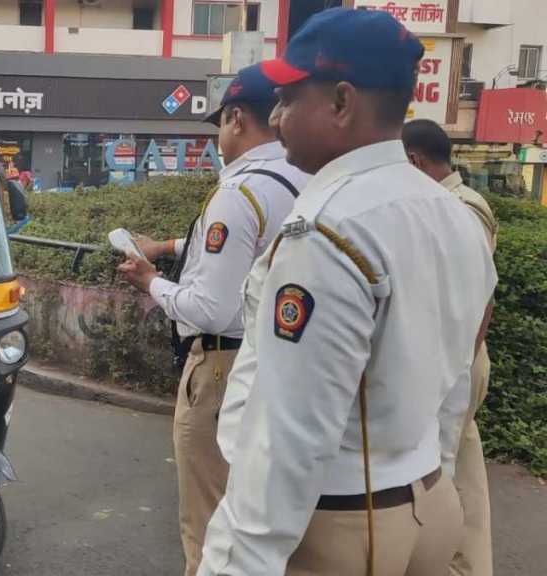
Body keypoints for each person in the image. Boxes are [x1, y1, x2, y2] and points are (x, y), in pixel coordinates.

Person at [201, 9, 496, 576]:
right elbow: (454, 385)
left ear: (340, 102)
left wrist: (236, 564)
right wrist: (435, 479)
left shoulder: (328, 230)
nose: (278, 116)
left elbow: (289, 434)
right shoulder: (451, 214)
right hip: (427, 502)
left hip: (340, 524)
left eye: (288, 98)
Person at [117, 63, 308, 576]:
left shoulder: (237, 192)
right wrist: (171, 245)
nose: (219, 138)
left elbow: (210, 307)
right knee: (263, 516)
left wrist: (151, 281)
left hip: (223, 366)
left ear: (239, 118)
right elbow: (255, 248)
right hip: (284, 362)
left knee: (208, 522)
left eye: (220, 124)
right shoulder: (305, 180)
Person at [403, 118, 497, 576]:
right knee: (463, 468)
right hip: (456, 358)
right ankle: (468, 564)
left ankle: (454, 565)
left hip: (458, 360)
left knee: (443, 473)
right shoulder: (454, 203)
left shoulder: (460, 209)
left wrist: (453, 367)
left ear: (415, 161)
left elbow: (479, 301)